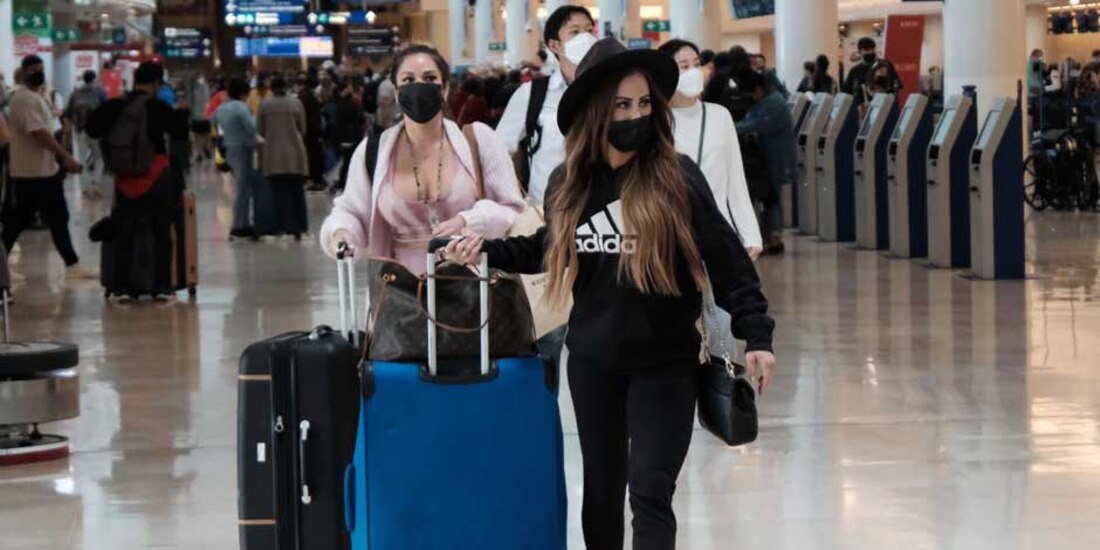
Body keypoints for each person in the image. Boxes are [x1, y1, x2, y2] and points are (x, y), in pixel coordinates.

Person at [444, 38, 776, 550]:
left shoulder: (676, 178)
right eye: (623, 105)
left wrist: (756, 332)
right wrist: (485, 251)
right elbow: (545, 249)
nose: (636, 115)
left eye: (645, 104)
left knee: (650, 491)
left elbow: (727, 258)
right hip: (594, 362)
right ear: (598, 110)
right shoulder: (569, 183)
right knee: (601, 492)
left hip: (666, 365)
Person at [320, 44, 526, 275]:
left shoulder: (479, 141)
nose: (419, 86)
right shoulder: (374, 150)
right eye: (408, 80)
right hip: (400, 290)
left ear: (445, 88)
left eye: (429, 78)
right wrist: (341, 232)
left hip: (473, 285)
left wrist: (469, 220)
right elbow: (352, 210)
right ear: (397, 91)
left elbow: (513, 209)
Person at [86, 62, 190, 299]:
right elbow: (181, 133)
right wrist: (180, 112)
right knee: (161, 231)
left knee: (125, 232)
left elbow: (92, 129)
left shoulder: (115, 106)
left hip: (124, 180)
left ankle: (122, 286)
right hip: (156, 176)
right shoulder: (158, 106)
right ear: (156, 83)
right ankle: (161, 286)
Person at [659, 39, 763, 259]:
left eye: (696, 64)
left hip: (719, 233)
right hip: (669, 236)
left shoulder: (719, 116)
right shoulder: (655, 121)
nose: (693, 72)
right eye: (684, 66)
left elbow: (736, 181)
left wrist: (750, 234)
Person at [2, 55, 94, 280]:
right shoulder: (24, 99)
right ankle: (71, 264)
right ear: (23, 72)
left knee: (55, 218)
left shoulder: (36, 97)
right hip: (31, 174)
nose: (37, 72)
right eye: (32, 69)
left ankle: (72, 264)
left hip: (43, 171)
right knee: (18, 222)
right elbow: (38, 133)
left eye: (40, 68)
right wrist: (66, 156)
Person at [496, 5, 596, 206]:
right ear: (554, 45)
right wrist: (512, 200)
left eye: (589, 30)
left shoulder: (609, 91)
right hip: (546, 214)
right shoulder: (533, 94)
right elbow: (498, 151)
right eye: (575, 32)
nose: (585, 38)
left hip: (600, 214)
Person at [736, 69, 798, 256]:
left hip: (776, 158)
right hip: (770, 156)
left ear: (759, 88)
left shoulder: (774, 104)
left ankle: (774, 238)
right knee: (770, 197)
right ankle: (771, 236)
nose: (752, 97)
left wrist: (731, 126)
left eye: (752, 93)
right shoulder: (770, 100)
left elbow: (757, 124)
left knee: (772, 198)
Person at [213, 77, 266, 240]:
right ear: (243, 93)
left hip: (229, 148)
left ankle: (242, 223)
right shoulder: (241, 107)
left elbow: (213, 123)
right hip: (244, 148)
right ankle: (238, 226)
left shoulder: (221, 108)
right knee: (243, 190)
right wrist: (260, 139)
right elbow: (251, 127)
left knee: (241, 188)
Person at [257, 76, 309, 239]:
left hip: (273, 155)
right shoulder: (296, 103)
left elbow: (260, 130)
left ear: (271, 89)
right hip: (295, 153)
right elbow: (303, 128)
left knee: (279, 193)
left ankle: (283, 226)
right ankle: (300, 227)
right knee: (297, 192)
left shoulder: (264, 105)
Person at [65, 69, 107, 199]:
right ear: (94, 79)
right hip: (96, 131)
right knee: (100, 157)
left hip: (79, 130)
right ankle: (96, 182)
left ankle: (86, 187)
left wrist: (67, 131)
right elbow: (106, 111)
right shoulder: (100, 92)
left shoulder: (75, 93)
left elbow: (68, 113)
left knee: (81, 159)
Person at [329, 79, 367, 193]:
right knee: (349, 160)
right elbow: (359, 118)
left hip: (343, 136)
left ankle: (343, 181)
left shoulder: (338, 103)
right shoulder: (347, 104)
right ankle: (343, 182)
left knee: (347, 160)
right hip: (349, 136)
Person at [298, 74, 326, 192]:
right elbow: (313, 116)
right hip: (312, 132)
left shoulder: (302, 95)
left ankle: (311, 179)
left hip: (306, 131)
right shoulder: (310, 97)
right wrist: (319, 131)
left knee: (309, 155)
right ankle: (314, 179)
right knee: (314, 156)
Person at [843, 37, 880, 107]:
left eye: (872, 49)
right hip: (859, 112)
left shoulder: (883, 67)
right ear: (860, 52)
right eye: (866, 50)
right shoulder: (854, 71)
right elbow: (846, 93)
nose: (870, 52)